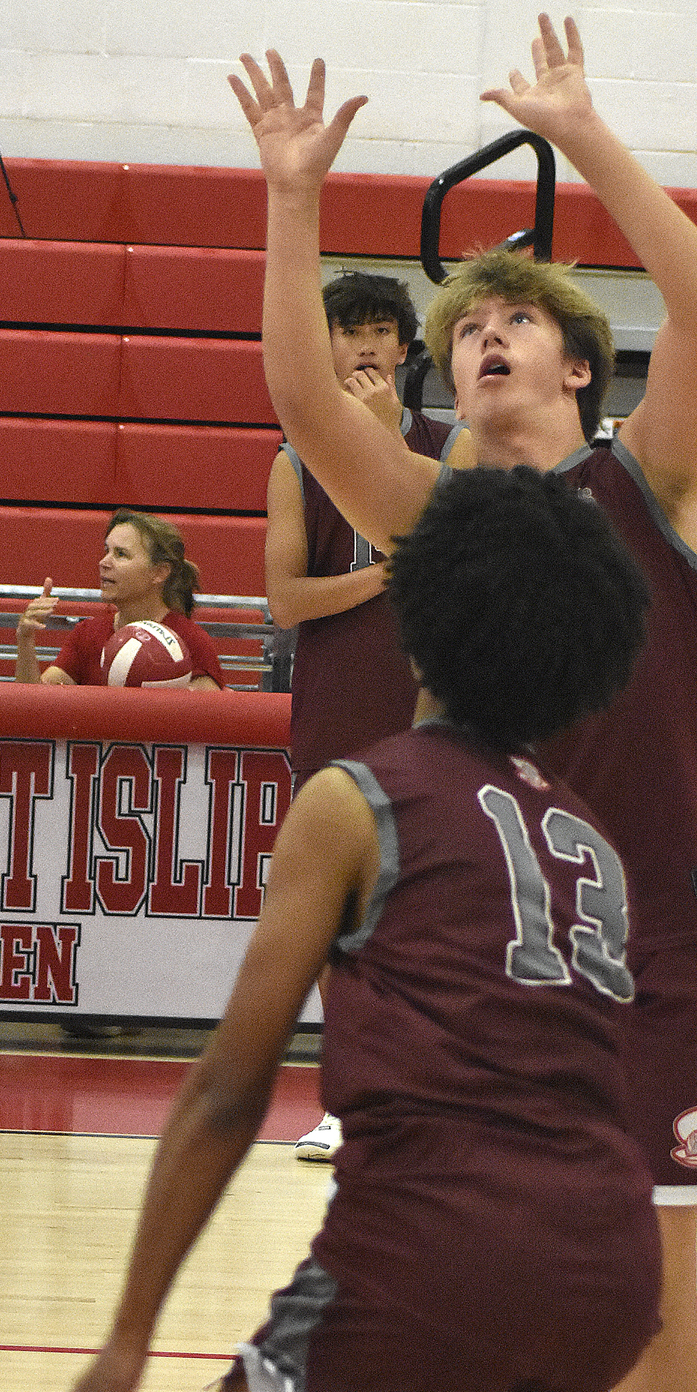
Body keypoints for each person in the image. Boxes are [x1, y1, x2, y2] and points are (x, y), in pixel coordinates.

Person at [230, 14, 697, 1392]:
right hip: (471, 947)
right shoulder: (432, 514)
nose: (487, 338)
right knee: (402, 1246)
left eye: (516, 319)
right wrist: (296, 197)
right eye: (469, 330)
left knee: (658, 1272)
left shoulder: (648, 482)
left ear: (576, 369)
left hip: (651, 937)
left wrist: (588, 136)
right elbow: (306, 394)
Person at [6, 464, 661, 1392]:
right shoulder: (587, 837)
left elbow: (225, 1091)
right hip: (605, 1277)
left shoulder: (357, 797)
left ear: (421, 622)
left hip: (441, 1252)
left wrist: (129, 1335)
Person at [266, 269, 457, 1164]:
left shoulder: (455, 451)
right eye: (350, 330)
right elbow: (286, 601)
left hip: (431, 711)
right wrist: (385, 573)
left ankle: (429, 1095)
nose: (368, 345)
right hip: (339, 710)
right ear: (325, 345)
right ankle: (348, 1098)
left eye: (383, 330)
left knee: (429, 914)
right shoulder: (294, 459)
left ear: (410, 352)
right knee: (346, 919)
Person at [16, 509, 223, 690]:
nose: (103, 562)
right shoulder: (87, 636)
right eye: (107, 551)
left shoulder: (190, 641)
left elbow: (207, 723)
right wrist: (25, 639)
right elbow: (33, 708)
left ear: (159, 572)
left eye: (121, 554)